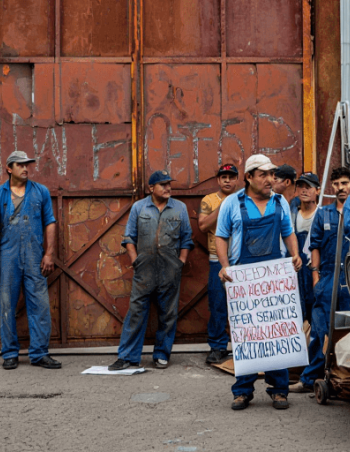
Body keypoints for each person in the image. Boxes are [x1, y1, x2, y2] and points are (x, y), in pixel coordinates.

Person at [215, 154, 303, 411]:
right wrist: (224, 266)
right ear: (249, 177)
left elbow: (288, 233)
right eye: (263, 175)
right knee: (247, 336)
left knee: (277, 333)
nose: (270, 179)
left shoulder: (280, 203)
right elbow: (221, 237)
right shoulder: (232, 203)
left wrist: (295, 254)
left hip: (274, 277)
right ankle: (243, 391)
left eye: (272, 174)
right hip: (244, 278)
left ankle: (279, 390)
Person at [0, 150, 61, 370]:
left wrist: (49, 253)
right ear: (9, 168)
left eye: (27, 165)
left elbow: (50, 222)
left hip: (34, 257)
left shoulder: (40, 192)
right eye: (20, 165)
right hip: (6, 259)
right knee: (6, 306)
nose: (25, 168)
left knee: (40, 306)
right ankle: (10, 353)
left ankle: (39, 354)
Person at [109, 171, 193, 371]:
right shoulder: (139, 207)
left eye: (169, 184)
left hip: (170, 269)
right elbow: (129, 237)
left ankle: (162, 354)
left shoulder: (180, 208)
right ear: (151, 188)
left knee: (168, 313)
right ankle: (128, 356)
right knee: (136, 311)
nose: (168, 188)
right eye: (163, 185)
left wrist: (180, 262)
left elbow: (186, 238)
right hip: (144, 269)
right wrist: (135, 260)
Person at [291, 166, 350, 394]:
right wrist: (316, 277)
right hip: (327, 278)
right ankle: (309, 379)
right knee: (320, 330)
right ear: (331, 188)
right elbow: (314, 245)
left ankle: (349, 380)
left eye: (345, 184)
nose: (341, 188)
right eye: (336, 184)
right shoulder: (324, 213)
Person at [198, 163, 240, 366]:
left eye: (231, 177)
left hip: (240, 259)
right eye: (224, 177)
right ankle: (217, 347)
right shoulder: (209, 200)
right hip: (217, 260)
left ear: (238, 180)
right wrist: (223, 206)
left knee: (242, 306)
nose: (227, 180)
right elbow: (203, 226)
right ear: (218, 180)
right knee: (218, 305)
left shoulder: (244, 199)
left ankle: (244, 346)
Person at [290, 172, 321, 333]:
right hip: (296, 270)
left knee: (316, 309)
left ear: (317, 190)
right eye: (300, 186)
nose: (303, 190)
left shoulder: (322, 215)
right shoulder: (291, 215)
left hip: (315, 269)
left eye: (308, 187)